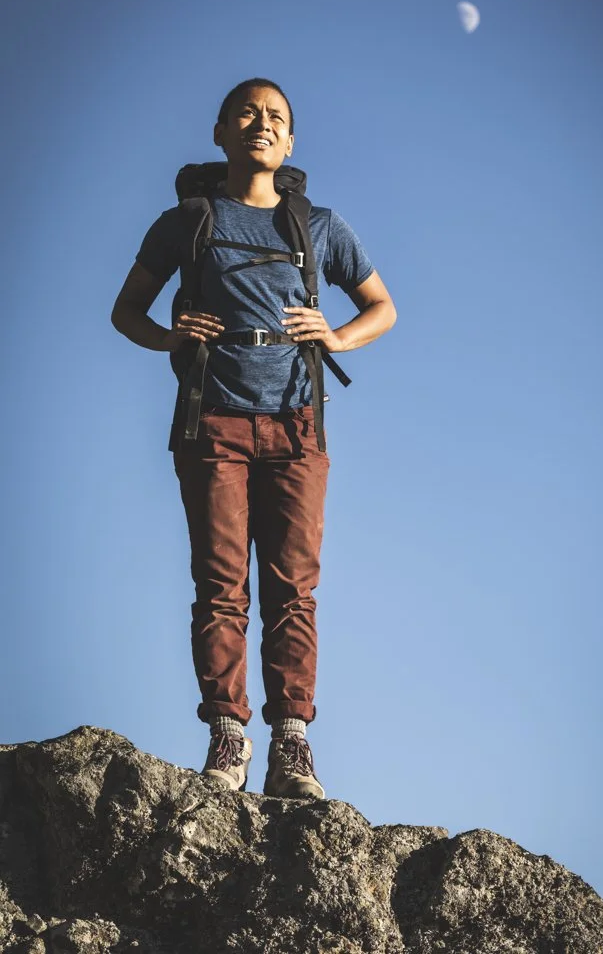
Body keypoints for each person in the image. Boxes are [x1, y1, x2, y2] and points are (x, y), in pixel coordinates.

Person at [111, 78, 397, 799]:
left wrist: (335, 335)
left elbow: (382, 307)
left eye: (275, 117)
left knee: (293, 588)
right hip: (213, 421)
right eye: (247, 112)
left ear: (290, 142)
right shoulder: (189, 221)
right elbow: (126, 311)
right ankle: (228, 735)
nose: (260, 123)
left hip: (299, 422)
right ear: (219, 132)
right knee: (220, 584)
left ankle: (291, 743)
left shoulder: (319, 227)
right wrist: (169, 335)